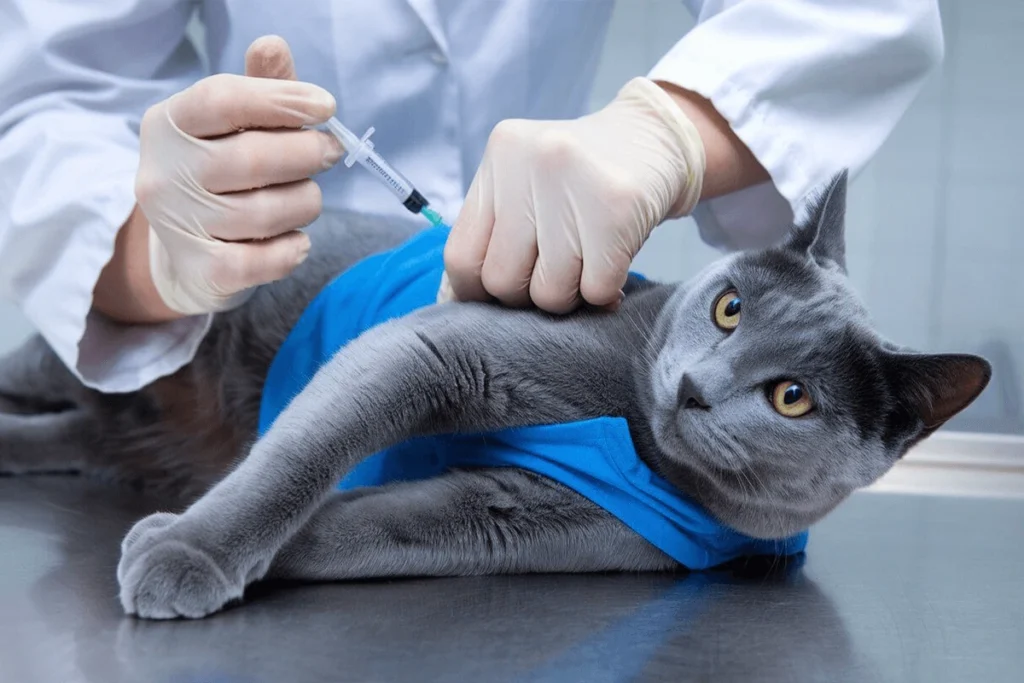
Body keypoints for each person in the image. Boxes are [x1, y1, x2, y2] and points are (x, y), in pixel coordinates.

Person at [0, 1, 943, 393]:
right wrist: (152, 252)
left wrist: (672, 130)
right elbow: (51, 90)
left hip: (531, 315)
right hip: (241, 343)